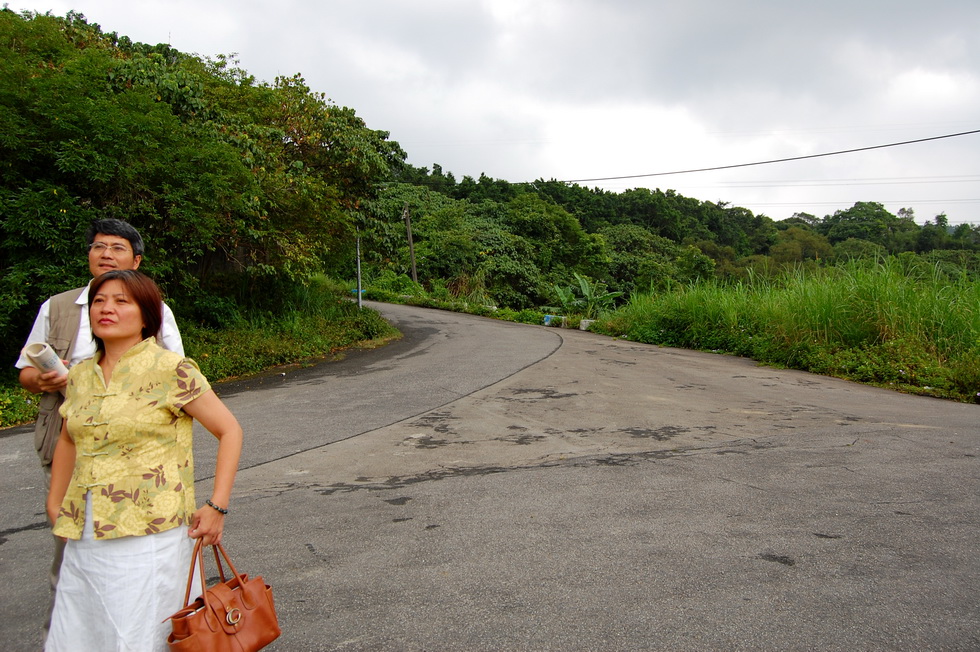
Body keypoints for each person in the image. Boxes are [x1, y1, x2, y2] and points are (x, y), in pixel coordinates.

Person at [44, 269, 243, 651]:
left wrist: (217, 504)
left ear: (146, 314)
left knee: (143, 631)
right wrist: (55, 501)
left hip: (152, 531)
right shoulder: (80, 376)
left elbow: (229, 430)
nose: (107, 309)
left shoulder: (171, 370)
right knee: (83, 629)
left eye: (122, 301)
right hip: (87, 530)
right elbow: (69, 437)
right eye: (100, 301)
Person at [14, 218, 183, 641]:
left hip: (135, 449)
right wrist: (46, 380)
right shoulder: (57, 307)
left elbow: (176, 380)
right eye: (99, 246)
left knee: (129, 555)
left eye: (117, 248)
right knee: (71, 544)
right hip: (70, 431)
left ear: (136, 260)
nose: (106, 254)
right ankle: (68, 634)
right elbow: (24, 373)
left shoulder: (155, 310)